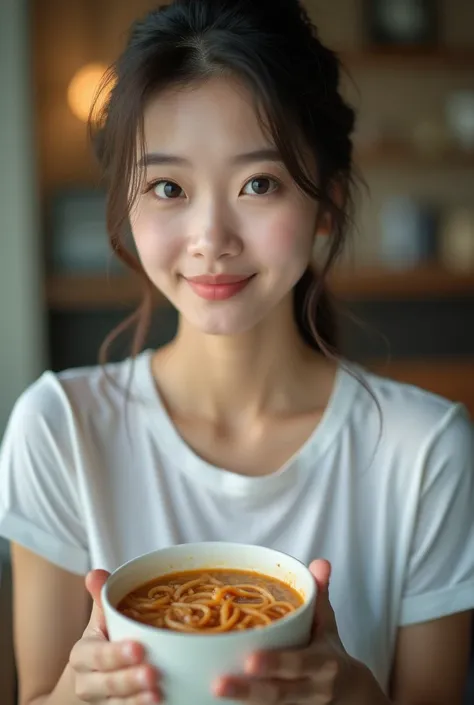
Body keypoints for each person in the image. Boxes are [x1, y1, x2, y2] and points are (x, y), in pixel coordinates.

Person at [1, 0, 473, 703]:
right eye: (168, 187)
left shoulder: (427, 450)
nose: (210, 236)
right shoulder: (59, 428)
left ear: (328, 205)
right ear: (127, 208)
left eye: (259, 183)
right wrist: (77, 691)